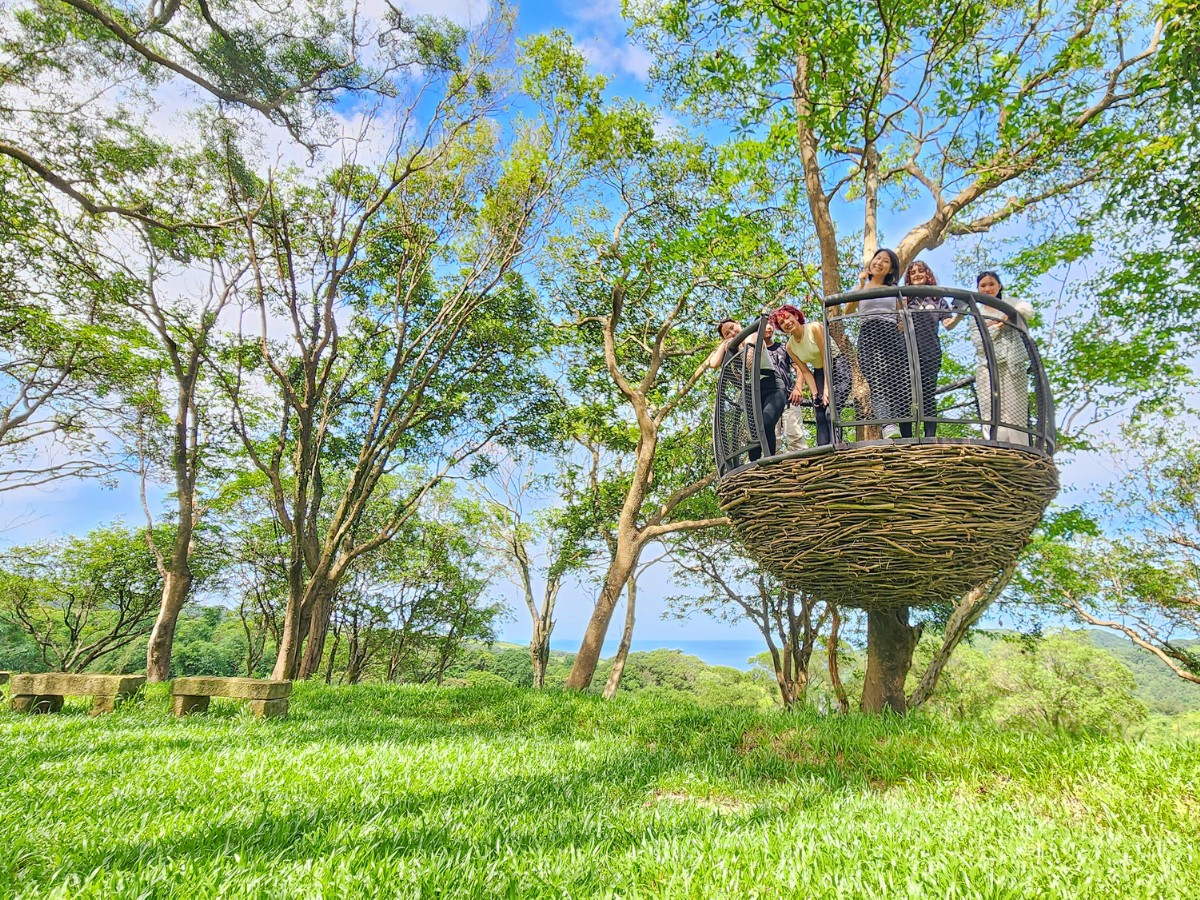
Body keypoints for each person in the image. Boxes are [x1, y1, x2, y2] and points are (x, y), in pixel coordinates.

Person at [843, 248, 911, 439]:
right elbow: (847, 310)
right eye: (877, 258)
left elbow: (904, 316)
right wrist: (861, 283)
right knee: (877, 381)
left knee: (897, 382)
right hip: (869, 334)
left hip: (890, 334)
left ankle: (905, 429)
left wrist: (898, 330)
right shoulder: (862, 287)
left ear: (890, 269)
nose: (879, 262)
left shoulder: (894, 290)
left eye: (886, 261)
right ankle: (888, 425)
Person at [707, 317, 786, 460]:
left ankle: (771, 461)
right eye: (727, 333)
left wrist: (737, 346)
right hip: (753, 392)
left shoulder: (754, 336)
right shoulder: (731, 346)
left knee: (766, 423)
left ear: (739, 323)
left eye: (732, 327)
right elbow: (713, 363)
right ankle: (755, 466)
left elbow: (750, 362)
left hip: (772, 387)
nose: (732, 332)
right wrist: (724, 344)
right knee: (752, 432)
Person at [972, 271, 1034, 445]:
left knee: (1015, 407)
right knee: (989, 407)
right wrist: (1002, 324)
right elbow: (979, 340)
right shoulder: (978, 312)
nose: (987, 288)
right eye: (983, 285)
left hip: (1013, 361)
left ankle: (1019, 447)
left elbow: (1026, 309)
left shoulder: (1010, 303)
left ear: (999, 286)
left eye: (991, 284)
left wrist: (1004, 317)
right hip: (988, 365)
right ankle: (994, 445)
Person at [902, 260, 957, 438]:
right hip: (905, 353)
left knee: (927, 396)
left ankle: (929, 437)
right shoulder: (905, 298)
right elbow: (899, 326)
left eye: (921, 271)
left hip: (930, 352)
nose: (917, 275)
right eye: (913, 272)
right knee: (904, 395)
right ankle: (906, 438)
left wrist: (960, 313)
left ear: (928, 275)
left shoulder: (937, 298)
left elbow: (948, 323)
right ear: (909, 277)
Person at [772, 304, 832, 446]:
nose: (786, 323)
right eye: (781, 322)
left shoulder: (814, 328)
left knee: (831, 411)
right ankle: (823, 452)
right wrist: (815, 395)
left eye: (788, 317)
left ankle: (837, 446)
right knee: (819, 412)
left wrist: (826, 389)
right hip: (819, 372)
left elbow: (826, 358)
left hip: (835, 367)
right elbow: (805, 371)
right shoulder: (790, 346)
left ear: (796, 316)